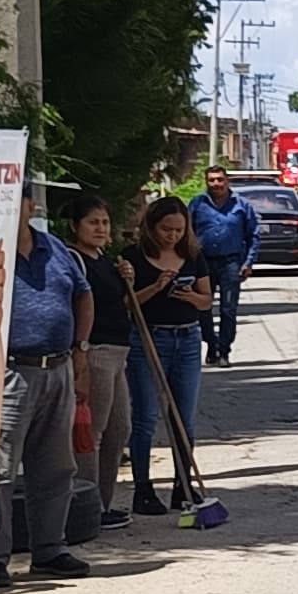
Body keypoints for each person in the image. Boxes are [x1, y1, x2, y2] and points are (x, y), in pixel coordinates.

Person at [0, 195, 91, 586]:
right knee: (0, 469)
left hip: (59, 367)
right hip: (9, 372)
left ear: (30, 207)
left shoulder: (54, 248)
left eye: (15, 202)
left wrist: (80, 348)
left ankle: (49, 549)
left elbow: (83, 295)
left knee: (56, 466)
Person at [122, 195, 210, 515]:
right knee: (145, 417)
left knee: (183, 418)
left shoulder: (193, 256)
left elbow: (207, 301)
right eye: (166, 229)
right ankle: (143, 490)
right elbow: (128, 304)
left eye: (178, 230)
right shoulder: (133, 257)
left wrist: (190, 297)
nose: (172, 236)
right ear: (152, 227)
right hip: (149, 338)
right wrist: (156, 287)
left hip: (187, 338)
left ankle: (182, 487)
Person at [66, 194, 135, 541]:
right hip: (95, 352)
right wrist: (79, 354)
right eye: (93, 222)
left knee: (119, 429)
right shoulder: (75, 260)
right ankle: (87, 506)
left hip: (118, 353)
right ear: (76, 226)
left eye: (105, 223)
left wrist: (131, 281)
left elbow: (121, 304)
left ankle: (104, 504)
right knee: (92, 433)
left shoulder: (107, 261)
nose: (100, 228)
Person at [192, 163, 261, 365]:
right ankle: (211, 345)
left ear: (227, 181)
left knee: (228, 309)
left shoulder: (242, 205)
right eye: (212, 180)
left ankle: (224, 351)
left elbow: (254, 236)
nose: (216, 184)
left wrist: (248, 262)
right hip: (203, 263)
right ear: (206, 182)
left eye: (220, 179)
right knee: (203, 308)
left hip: (231, 263)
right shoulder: (197, 204)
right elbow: (186, 232)